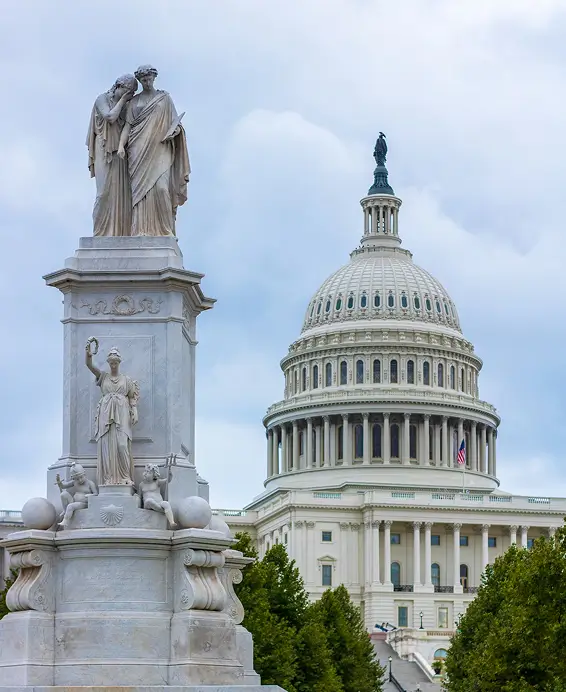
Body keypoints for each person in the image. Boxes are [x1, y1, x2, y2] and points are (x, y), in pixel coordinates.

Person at [118, 64, 190, 236]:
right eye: (144, 80)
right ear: (140, 81)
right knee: (140, 193)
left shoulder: (164, 98)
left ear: (154, 78)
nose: (147, 82)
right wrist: (121, 145)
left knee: (161, 189)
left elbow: (176, 123)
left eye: (149, 78)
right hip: (138, 148)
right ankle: (140, 230)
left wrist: (175, 132)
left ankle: (165, 231)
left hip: (160, 148)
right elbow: (128, 126)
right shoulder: (134, 101)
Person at [86, 74, 137, 236]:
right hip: (103, 148)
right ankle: (100, 233)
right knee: (103, 193)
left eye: (132, 94)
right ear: (119, 86)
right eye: (128, 91)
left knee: (121, 195)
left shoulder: (127, 106)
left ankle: (120, 233)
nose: (130, 96)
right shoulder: (102, 99)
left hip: (120, 154)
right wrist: (123, 100)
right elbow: (110, 117)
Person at [86, 344, 139, 486]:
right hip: (106, 412)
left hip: (122, 412)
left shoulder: (126, 380)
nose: (113, 365)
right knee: (107, 446)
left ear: (119, 363)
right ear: (109, 363)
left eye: (116, 363)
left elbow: (132, 396)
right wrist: (89, 355)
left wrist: (135, 411)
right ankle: (109, 478)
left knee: (122, 444)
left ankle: (125, 476)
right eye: (111, 363)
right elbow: (89, 365)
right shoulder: (103, 377)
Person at [56, 463, 98, 528]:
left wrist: (89, 495)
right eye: (77, 479)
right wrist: (59, 482)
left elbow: (96, 494)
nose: (80, 480)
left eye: (81, 477)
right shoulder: (74, 482)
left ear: (84, 474)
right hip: (74, 501)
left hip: (84, 504)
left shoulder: (90, 483)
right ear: (74, 479)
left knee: (70, 506)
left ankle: (66, 520)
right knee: (63, 494)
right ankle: (65, 510)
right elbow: (63, 486)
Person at [138, 463, 177, 527]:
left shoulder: (157, 482)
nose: (147, 474)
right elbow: (139, 496)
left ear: (154, 475)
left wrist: (170, 474)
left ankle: (171, 522)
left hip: (159, 502)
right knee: (149, 501)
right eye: (146, 472)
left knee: (166, 503)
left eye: (150, 473)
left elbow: (167, 480)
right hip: (147, 505)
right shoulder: (141, 484)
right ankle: (163, 511)